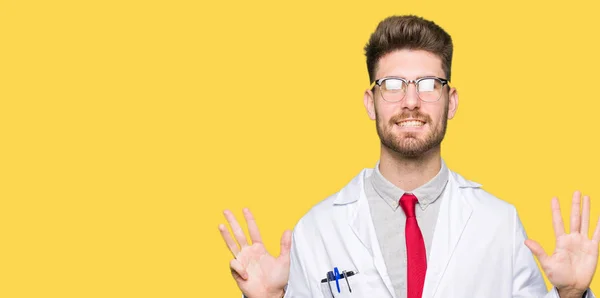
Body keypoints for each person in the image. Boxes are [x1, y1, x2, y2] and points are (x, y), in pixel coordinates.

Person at [218, 15, 600, 298]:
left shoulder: (499, 223)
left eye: (430, 84)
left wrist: (571, 294)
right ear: (371, 102)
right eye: (394, 85)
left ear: (451, 102)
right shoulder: (317, 230)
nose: (412, 101)